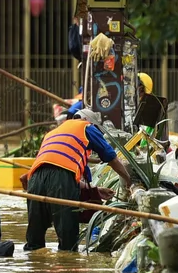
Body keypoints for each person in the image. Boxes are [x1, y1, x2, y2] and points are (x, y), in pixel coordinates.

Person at [25, 108, 132, 252]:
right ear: (90, 122)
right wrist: (129, 181)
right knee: (68, 239)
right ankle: (69, 268)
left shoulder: (53, 133)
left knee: (34, 239)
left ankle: (34, 267)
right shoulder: (87, 127)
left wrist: (94, 190)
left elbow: (58, 168)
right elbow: (111, 157)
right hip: (60, 179)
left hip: (35, 178)